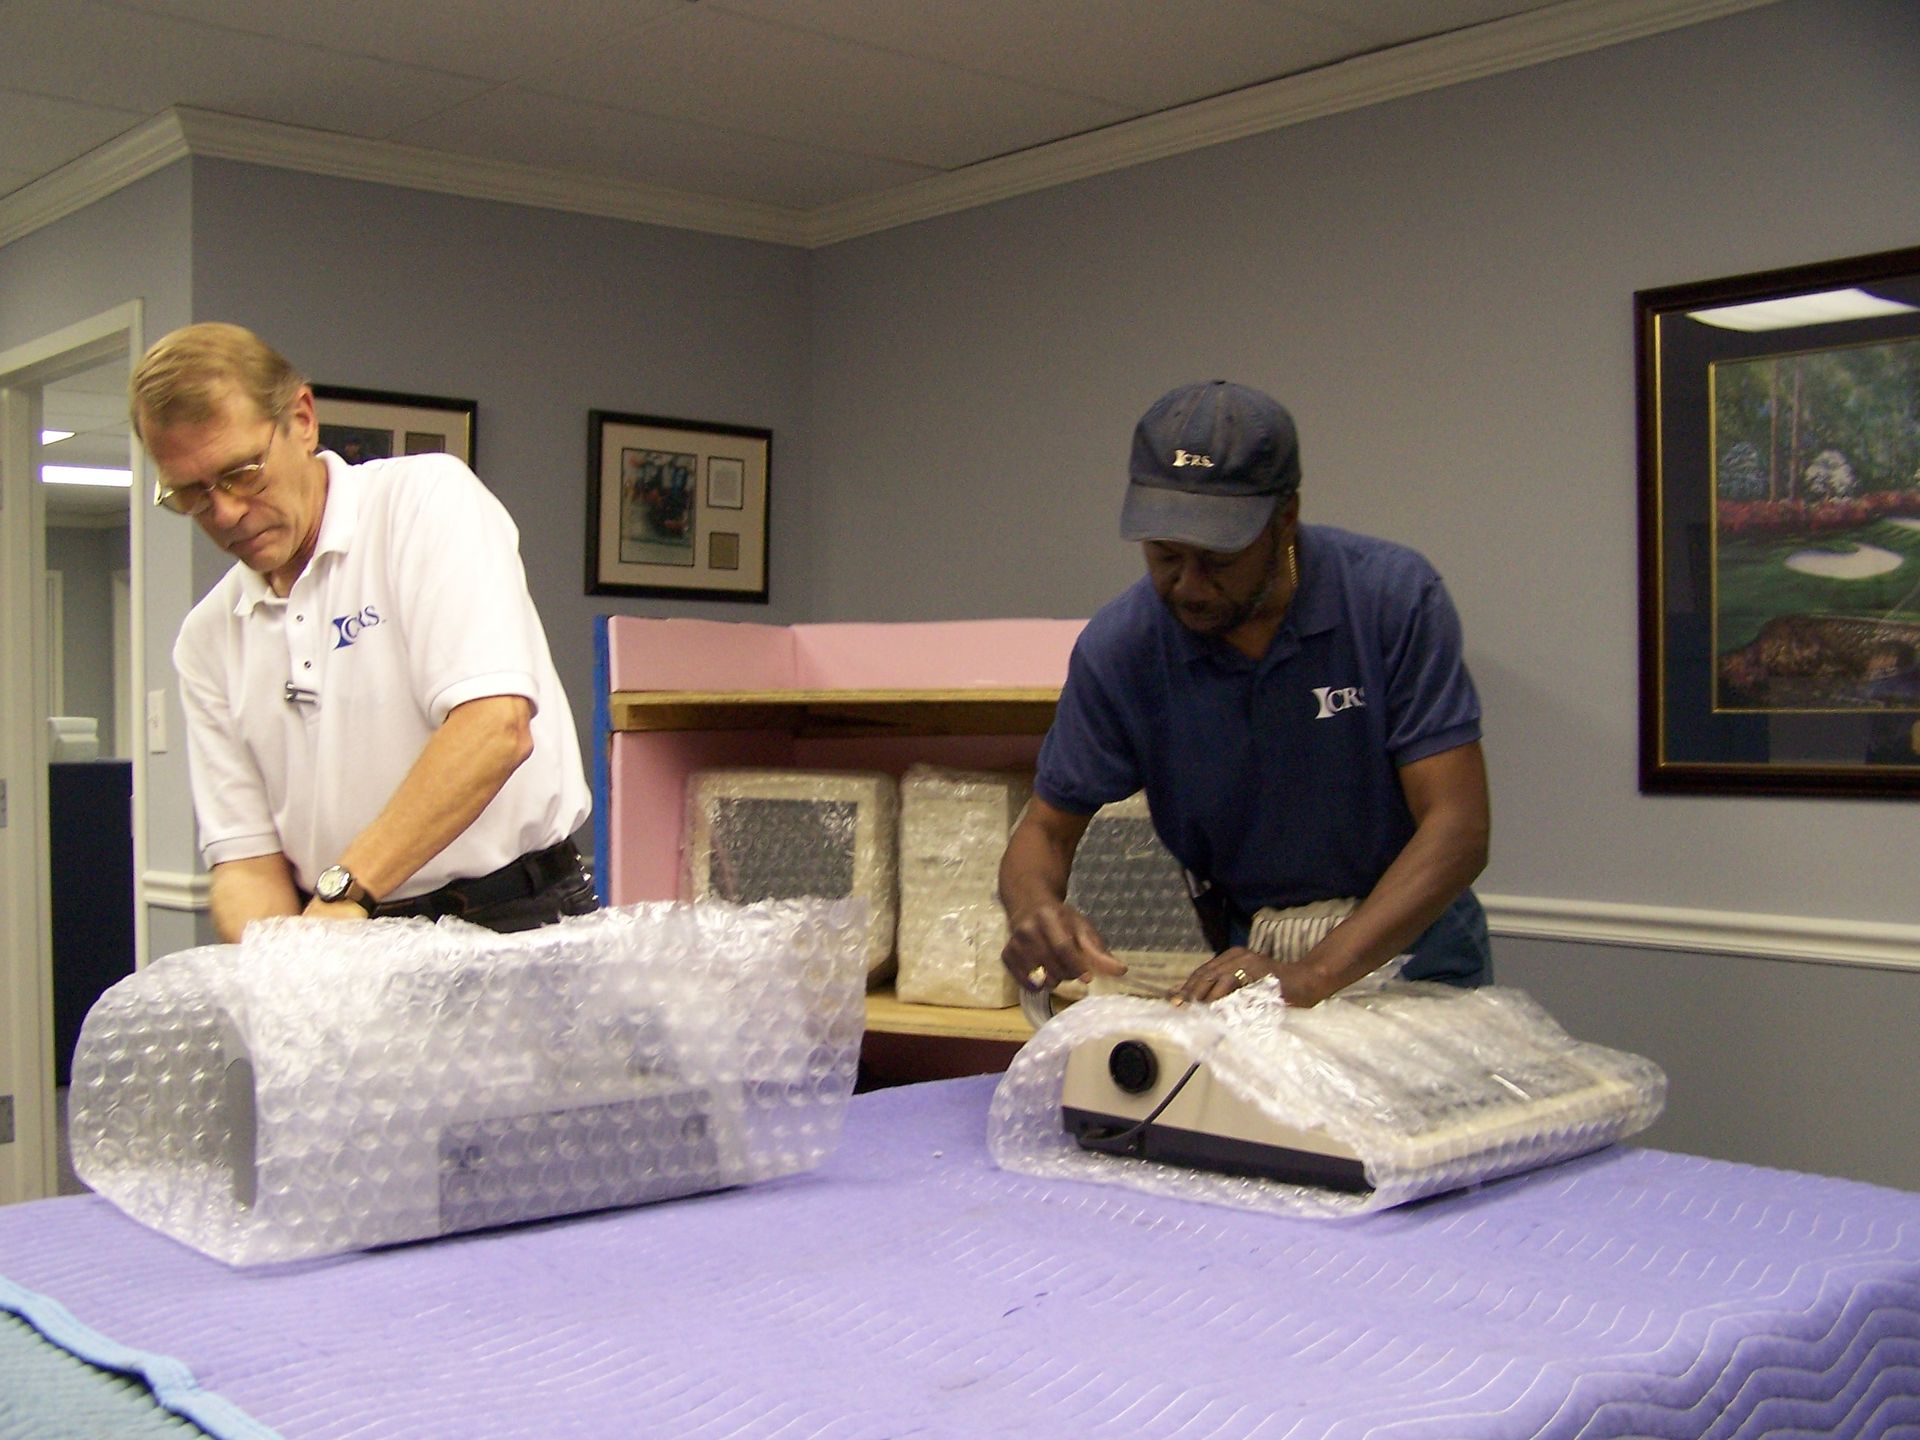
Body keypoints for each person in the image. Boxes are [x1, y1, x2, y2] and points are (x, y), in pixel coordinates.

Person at [999, 380, 1491, 1008]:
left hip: (1414, 951)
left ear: (1285, 517)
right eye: (1166, 555)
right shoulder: (1123, 650)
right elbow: (1044, 831)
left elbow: (1457, 828)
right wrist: (1035, 908)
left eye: (1219, 557)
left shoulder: (1391, 601)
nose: (1190, 585)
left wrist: (1314, 974)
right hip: (1249, 958)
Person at [135, 323, 594, 940]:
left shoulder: (425, 502)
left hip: (514, 916)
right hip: (344, 935)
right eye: (190, 494)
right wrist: (280, 971)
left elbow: (494, 729)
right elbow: (247, 861)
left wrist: (344, 893)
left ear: (301, 419)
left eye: (241, 472)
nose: (224, 513)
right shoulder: (208, 639)